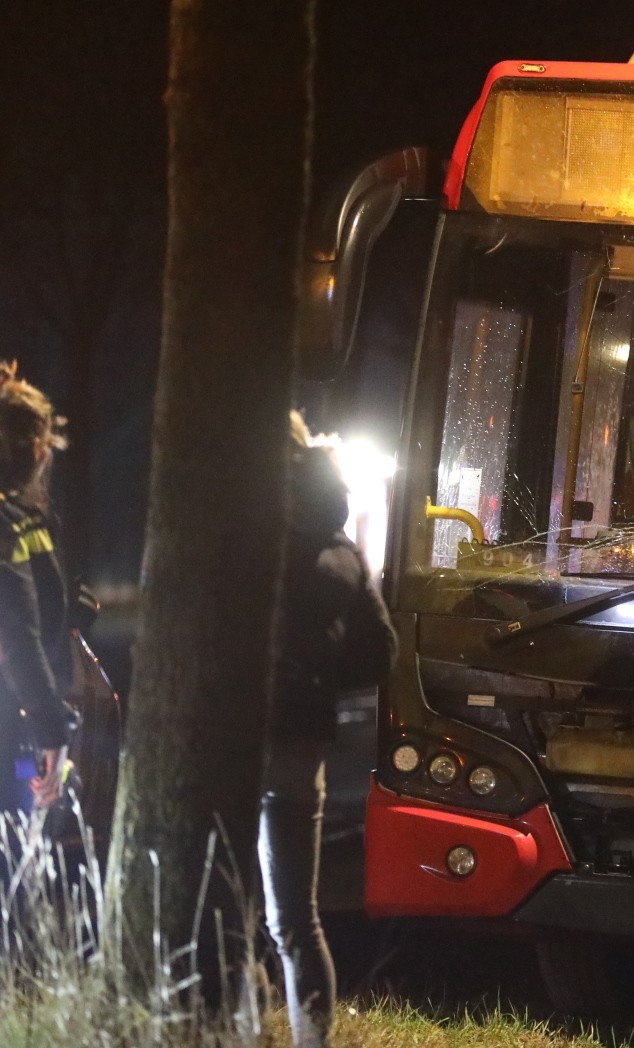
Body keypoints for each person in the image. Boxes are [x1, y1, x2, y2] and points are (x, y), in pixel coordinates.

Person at [262, 413, 394, 1048]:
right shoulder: (343, 553)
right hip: (302, 743)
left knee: (226, 909)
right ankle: (310, 1042)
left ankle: (231, 1032)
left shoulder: (249, 538)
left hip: (237, 737)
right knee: (296, 918)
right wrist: (320, 680)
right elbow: (380, 652)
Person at [0, 361, 78, 812]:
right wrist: (52, 732)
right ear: (35, 448)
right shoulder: (9, 525)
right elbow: (16, 634)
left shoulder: (26, 521)